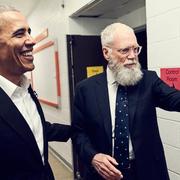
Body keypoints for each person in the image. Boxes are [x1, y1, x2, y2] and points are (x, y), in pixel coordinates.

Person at [72, 22, 180, 180]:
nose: (133, 56)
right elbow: (79, 133)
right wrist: (93, 157)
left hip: (146, 171)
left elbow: (175, 99)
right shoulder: (85, 89)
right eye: (125, 50)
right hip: (105, 174)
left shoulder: (148, 80)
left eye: (136, 49)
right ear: (106, 52)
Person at [0, 5, 71, 180]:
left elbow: (31, 129)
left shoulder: (25, 88)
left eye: (29, 32)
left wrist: (77, 129)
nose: (32, 40)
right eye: (19, 34)